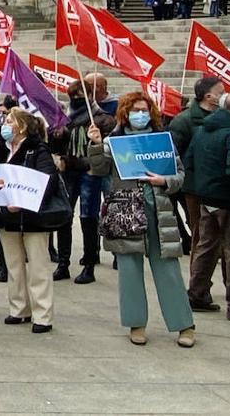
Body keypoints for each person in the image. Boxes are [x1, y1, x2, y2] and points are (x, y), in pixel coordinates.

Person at [86, 92, 196, 347]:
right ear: (125, 112)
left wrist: (164, 181)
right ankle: (136, 324)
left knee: (168, 270)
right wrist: (95, 144)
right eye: (135, 109)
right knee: (129, 272)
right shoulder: (114, 141)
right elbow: (99, 169)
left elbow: (179, 175)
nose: (140, 114)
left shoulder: (161, 140)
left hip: (158, 211)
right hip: (126, 212)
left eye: (144, 109)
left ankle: (184, 325)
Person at [0, 107, 61, 333]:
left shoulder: (37, 150)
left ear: (22, 126)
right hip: (6, 217)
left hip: (32, 218)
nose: (4, 125)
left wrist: (24, 202)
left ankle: (42, 315)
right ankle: (19, 308)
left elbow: (47, 181)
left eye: (9, 121)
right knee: (14, 266)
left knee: (38, 267)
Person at [186, 90, 230, 322]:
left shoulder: (202, 129)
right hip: (228, 200)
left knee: (206, 247)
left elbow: (189, 161)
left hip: (206, 197)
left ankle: (197, 294)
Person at [50, 78, 116, 284]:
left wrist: (95, 144)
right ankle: (63, 263)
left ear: (89, 96)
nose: (76, 99)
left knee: (88, 217)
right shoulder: (64, 117)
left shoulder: (102, 119)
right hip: (69, 171)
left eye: (80, 96)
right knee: (64, 216)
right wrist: (57, 134)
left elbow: (106, 151)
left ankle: (89, 264)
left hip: (90, 172)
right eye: (73, 96)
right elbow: (57, 146)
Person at [170, 77, 224, 257]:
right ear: (208, 96)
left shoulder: (223, 117)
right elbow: (174, 153)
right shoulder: (183, 120)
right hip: (194, 186)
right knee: (199, 229)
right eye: (220, 93)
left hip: (220, 184)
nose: (224, 96)